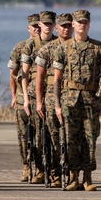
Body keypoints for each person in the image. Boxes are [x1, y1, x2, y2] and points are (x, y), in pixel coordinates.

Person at [49, 10, 101, 192]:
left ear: (89, 24)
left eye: (85, 22)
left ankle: (87, 178)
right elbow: (57, 79)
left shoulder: (99, 48)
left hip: (91, 101)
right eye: (79, 22)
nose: (82, 25)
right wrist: (57, 105)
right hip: (70, 101)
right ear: (73, 24)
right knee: (70, 139)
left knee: (90, 139)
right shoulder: (63, 48)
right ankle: (73, 177)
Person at [33, 12, 73, 188]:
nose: (66, 29)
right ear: (57, 28)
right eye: (63, 26)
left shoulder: (75, 47)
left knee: (71, 138)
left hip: (71, 98)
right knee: (53, 138)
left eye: (69, 26)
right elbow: (39, 79)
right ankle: (55, 172)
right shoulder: (47, 49)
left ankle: (71, 172)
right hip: (50, 98)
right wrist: (39, 101)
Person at [19, 11, 57, 184]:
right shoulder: (30, 45)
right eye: (44, 23)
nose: (47, 27)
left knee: (53, 135)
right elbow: (23, 74)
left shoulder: (58, 43)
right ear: (39, 24)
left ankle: (53, 169)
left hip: (52, 94)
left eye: (50, 23)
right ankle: (40, 169)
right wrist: (26, 98)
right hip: (35, 95)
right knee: (38, 136)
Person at [8, 13, 40, 182]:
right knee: (23, 135)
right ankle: (26, 166)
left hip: (42, 97)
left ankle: (41, 167)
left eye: (39, 26)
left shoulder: (52, 44)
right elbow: (13, 73)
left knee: (42, 135)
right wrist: (14, 95)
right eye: (34, 26)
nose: (37, 29)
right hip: (23, 97)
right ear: (28, 28)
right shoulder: (20, 47)